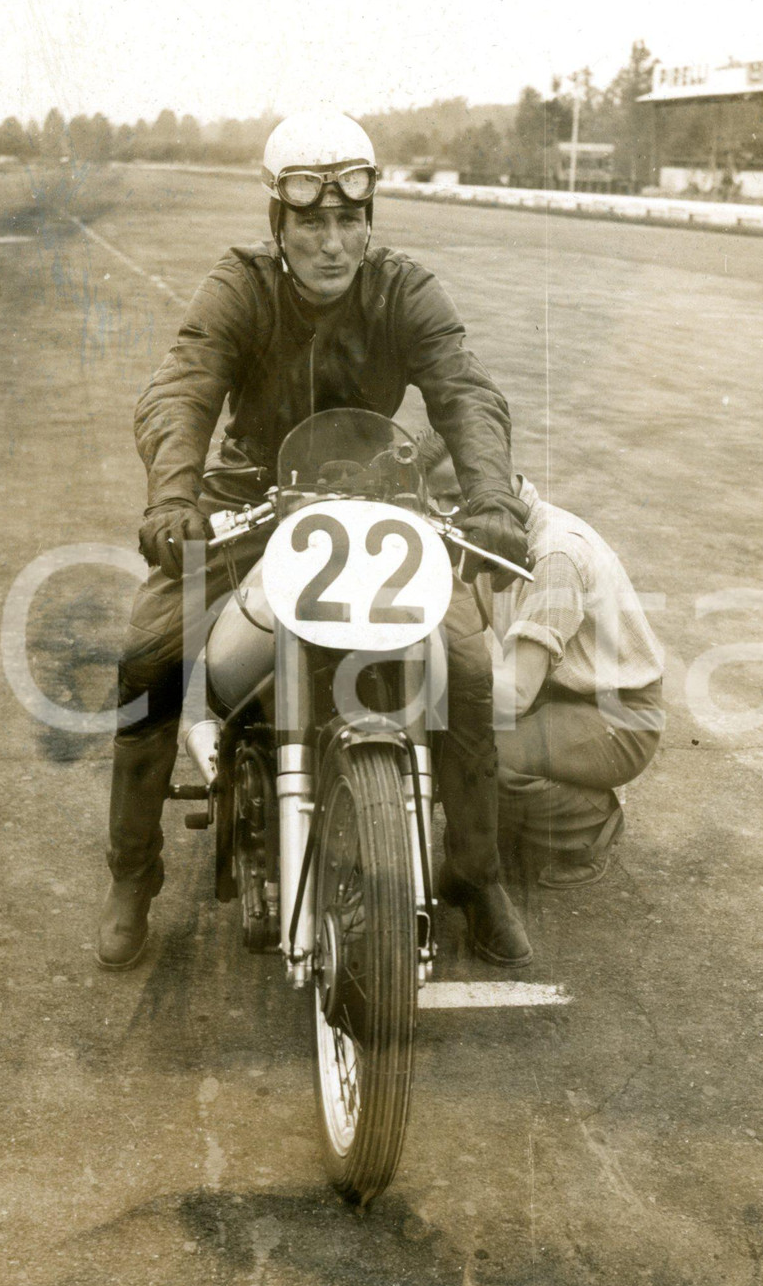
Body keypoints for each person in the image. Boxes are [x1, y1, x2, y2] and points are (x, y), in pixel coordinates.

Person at [98, 109, 534, 971]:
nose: (332, 244)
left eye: (349, 220)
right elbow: (181, 388)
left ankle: (476, 873)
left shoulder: (405, 289)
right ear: (279, 221)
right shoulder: (240, 286)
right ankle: (131, 873)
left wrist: (491, 499)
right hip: (249, 499)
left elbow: (466, 392)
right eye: (312, 223)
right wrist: (174, 497)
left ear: (369, 221)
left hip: (379, 499)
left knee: (466, 667)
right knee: (149, 659)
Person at [418, 431, 664, 888]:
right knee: (457, 743)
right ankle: (527, 819)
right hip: (554, 695)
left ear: (499, 479)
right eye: (436, 501)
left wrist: (424, 704)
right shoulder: (487, 530)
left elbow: (514, 693)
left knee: (479, 756)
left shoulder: (555, 554)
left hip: (616, 714)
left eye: (455, 497)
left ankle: (592, 825)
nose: (445, 513)